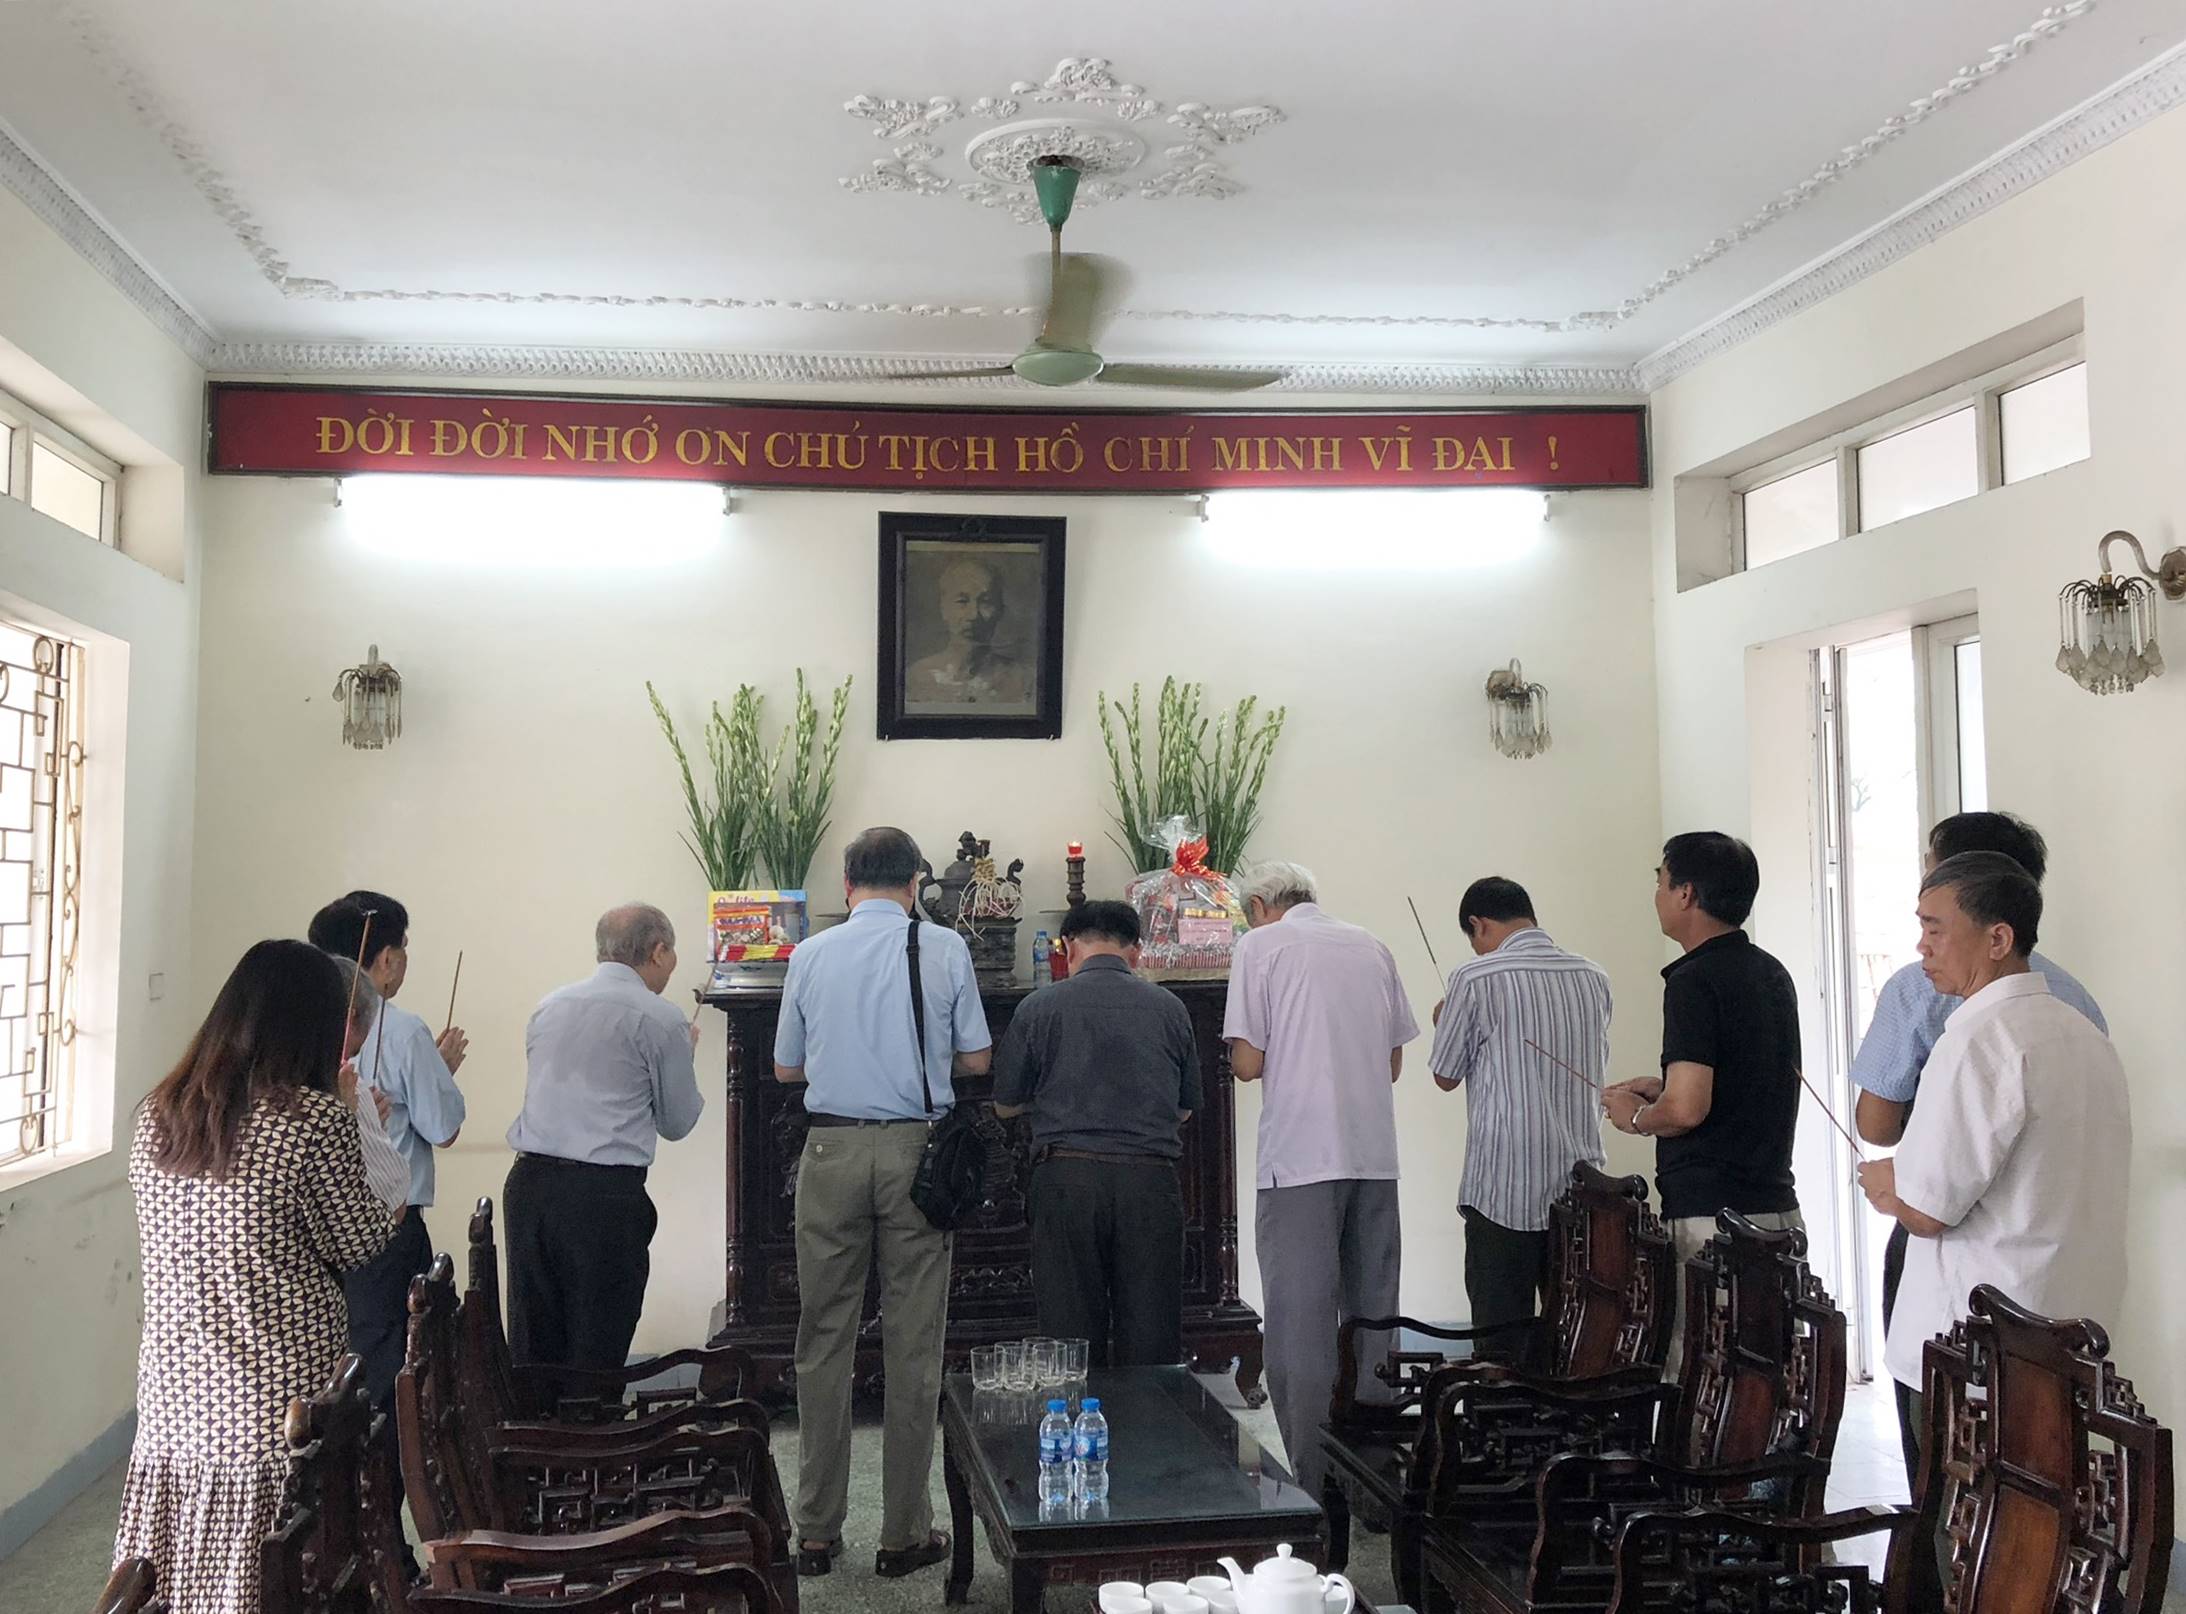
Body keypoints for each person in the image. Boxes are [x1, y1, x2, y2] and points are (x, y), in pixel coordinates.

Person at [112, 941, 395, 1614]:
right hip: (277, 1387)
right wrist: (359, 1122)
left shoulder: (159, 1111)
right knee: (273, 1563)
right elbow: (361, 1240)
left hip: (176, 1385)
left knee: (179, 1563)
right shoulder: (310, 1120)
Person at [1856, 852, 2129, 1491]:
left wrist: (1887, 1186)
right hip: (2067, 1332)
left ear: (1998, 939)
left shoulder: (1976, 1038)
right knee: (2042, 1515)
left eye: (1936, 929)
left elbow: (1929, 1209)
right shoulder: (2082, 1030)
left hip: (1978, 1343)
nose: (1922, 947)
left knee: (1967, 1522)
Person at [774, 827, 991, 1580]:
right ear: (914, 884)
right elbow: (977, 1058)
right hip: (915, 1157)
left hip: (829, 1153)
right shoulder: (945, 948)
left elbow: (786, 1067)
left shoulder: (809, 954)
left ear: (847, 883)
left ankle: (814, 1532)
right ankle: (903, 1534)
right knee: (913, 1344)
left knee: (822, 1338)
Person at [1223, 860, 1418, 1502]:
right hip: (1375, 1157)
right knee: (1373, 1319)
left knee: (1301, 1323)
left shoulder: (1260, 947)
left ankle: (1311, 1481)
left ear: (1259, 906)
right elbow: (1393, 1061)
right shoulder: (1371, 945)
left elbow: (1247, 1063)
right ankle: (1373, 1482)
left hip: (1301, 1158)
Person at [1603, 832, 1802, 1368]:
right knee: (1763, 1377)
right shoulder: (1770, 971)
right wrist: (1665, 1087)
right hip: (1775, 1210)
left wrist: (1636, 1116)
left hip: (1713, 1220)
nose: (1656, 895)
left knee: (1704, 1377)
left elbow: (1687, 1110)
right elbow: (1748, 1080)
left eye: (1660, 881)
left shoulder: (1693, 980)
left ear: (1686, 893)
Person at [992, 899, 1200, 1367]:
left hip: (1066, 1180)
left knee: (1069, 1338)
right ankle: (1148, 1413)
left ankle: (1073, 1415)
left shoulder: (1038, 1007)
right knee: (1151, 1338)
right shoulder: (1170, 1009)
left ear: (1068, 947)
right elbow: (1185, 1110)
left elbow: (1005, 1104)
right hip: (1149, 1183)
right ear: (1136, 951)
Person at [503, 903, 704, 1375]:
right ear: (658, 951)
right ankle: (593, 1424)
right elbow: (676, 1123)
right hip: (602, 1199)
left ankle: (536, 1423)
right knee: (597, 1345)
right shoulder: (661, 1019)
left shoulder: (550, 1006)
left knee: (535, 1347)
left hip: (529, 1187)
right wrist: (685, 1058)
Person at [1428, 877, 1610, 1342]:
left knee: (1500, 1345)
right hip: (1580, 1187)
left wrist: (1445, 1021)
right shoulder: (1593, 977)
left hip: (1502, 1190)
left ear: (1478, 924)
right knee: (1571, 1336)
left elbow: (1445, 1075)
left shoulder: (1475, 977)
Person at [307, 893, 467, 1408]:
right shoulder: (400, 1028)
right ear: (387, 959)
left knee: (339, 1354)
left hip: (316, 1226)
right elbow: (443, 1127)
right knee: (390, 1360)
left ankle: (345, 1453)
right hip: (386, 1226)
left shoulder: (298, 1027)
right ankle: (389, 1453)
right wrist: (439, 1072)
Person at [902, 557, 1034, 708]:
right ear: (943, 608)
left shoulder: (1025, 680)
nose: (973, 615)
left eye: (986, 601)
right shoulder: (915, 678)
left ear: (1000, 610)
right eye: (962, 601)